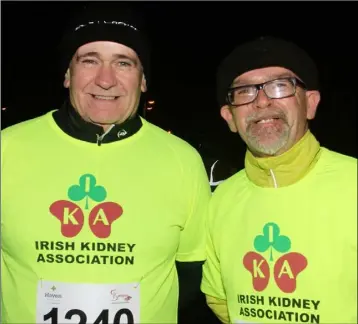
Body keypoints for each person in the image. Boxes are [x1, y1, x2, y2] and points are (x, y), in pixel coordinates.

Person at [1, 4, 211, 323]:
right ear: (67, 74)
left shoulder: (181, 159)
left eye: (123, 63)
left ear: (143, 80)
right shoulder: (7, 148)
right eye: (89, 61)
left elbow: (192, 274)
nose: (105, 80)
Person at [201, 36, 357, 323]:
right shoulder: (221, 200)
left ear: (310, 104)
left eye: (279, 86)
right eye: (244, 92)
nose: (262, 101)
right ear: (230, 118)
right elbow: (219, 300)